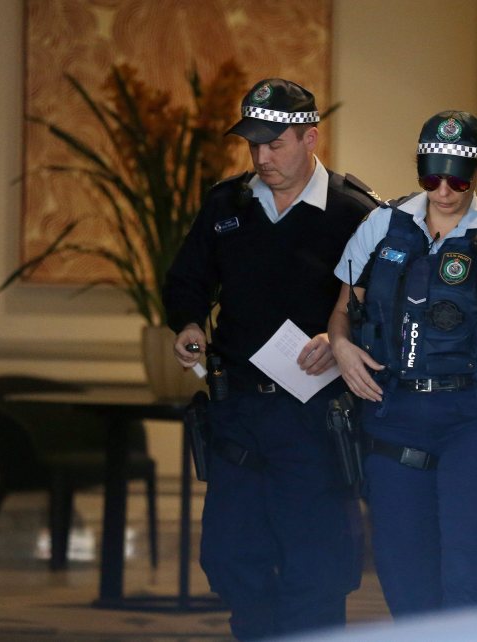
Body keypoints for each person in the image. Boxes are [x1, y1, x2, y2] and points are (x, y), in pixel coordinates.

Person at [162, 78, 379, 639]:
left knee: (319, 568)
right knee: (235, 561)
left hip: (317, 419)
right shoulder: (226, 204)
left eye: (275, 142)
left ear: (311, 137)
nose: (262, 157)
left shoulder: (354, 212)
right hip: (239, 416)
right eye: (252, 144)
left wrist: (342, 341)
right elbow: (187, 279)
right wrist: (187, 323)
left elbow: (387, 305)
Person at [327, 110, 477, 615]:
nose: (445, 189)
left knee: (472, 571)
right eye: (432, 175)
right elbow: (341, 313)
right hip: (394, 414)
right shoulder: (381, 226)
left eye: (458, 177)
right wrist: (340, 346)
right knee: (403, 574)